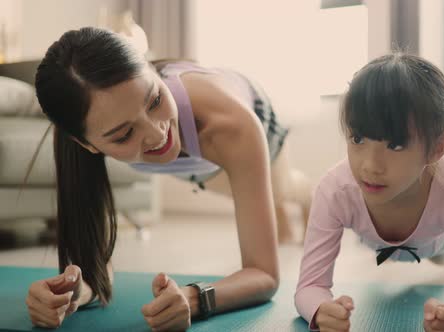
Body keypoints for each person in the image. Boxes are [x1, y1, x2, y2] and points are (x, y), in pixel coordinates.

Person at [25, 27, 310, 330]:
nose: (157, 133)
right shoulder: (87, 124)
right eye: (124, 134)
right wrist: (70, 295)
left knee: (284, 191)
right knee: (231, 191)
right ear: (87, 144)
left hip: (254, 124)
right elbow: (97, 271)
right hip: (196, 162)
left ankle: (306, 194)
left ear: (151, 70)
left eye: (155, 100)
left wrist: (194, 298)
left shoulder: (231, 126)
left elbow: (264, 275)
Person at [295, 52, 444, 332]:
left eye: (396, 145)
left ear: (438, 148)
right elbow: (308, 286)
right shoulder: (335, 190)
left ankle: (443, 256)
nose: (371, 166)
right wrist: (320, 310)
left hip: (436, 244)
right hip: (373, 244)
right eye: (358, 138)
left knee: (442, 255)